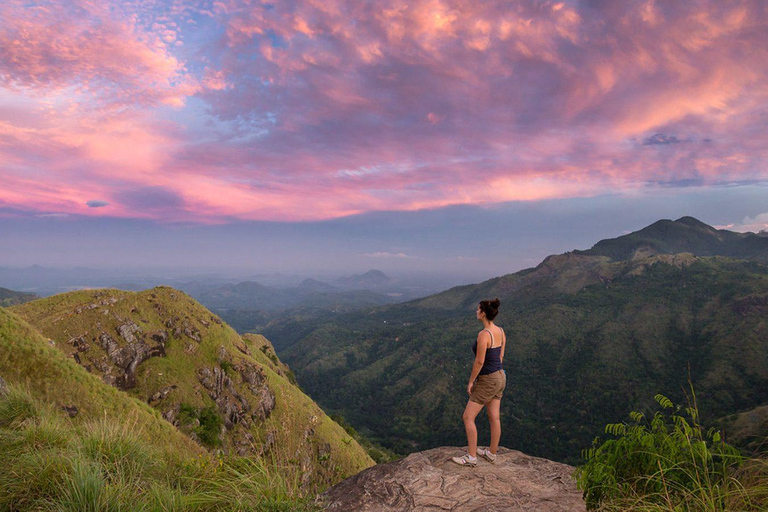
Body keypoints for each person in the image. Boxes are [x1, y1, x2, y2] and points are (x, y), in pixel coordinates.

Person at [451, 298, 506, 467]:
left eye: (478, 309)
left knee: (468, 417)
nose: (476, 311)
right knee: (494, 417)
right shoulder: (501, 331)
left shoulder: (484, 335)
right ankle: (491, 453)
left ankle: (472, 457)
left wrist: (471, 381)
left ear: (483, 313)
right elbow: (501, 356)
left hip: (488, 378)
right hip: (500, 376)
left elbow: (479, 362)